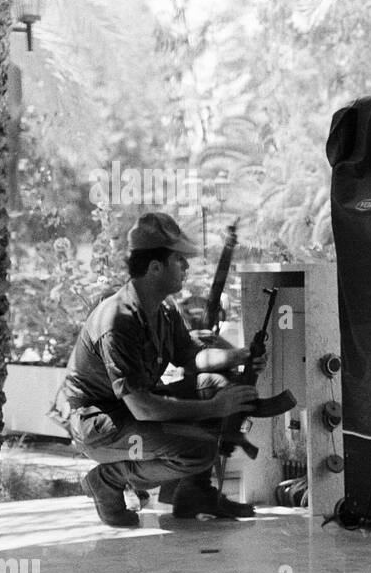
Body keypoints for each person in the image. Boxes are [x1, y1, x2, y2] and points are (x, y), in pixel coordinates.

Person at [64, 212, 264, 527]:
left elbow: (191, 357)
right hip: (101, 426)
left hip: (131, 413)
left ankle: (193, 494)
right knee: (199, 449)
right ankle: (109, 479)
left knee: (214, 384)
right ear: (155, 268)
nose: (185, 267)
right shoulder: (118, 321)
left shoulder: (164, 309)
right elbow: (142, 408)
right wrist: (212, 408)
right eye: (179, 261)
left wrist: (238, 356)